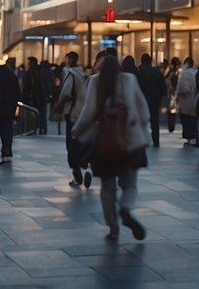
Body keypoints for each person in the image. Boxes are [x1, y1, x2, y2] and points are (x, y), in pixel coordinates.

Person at [72, 54, 150, 241]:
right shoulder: (130, 80)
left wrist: (77, 132)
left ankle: (113, 228)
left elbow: (88, 113)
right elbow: (143, 111)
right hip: (131, 142)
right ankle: (125, 208)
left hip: (105, 143)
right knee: (130, 184)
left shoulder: (94, 82)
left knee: (107, 188)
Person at [55, 51, 91, 188]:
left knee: (71, 144)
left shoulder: (71, 74)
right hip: (83, 112)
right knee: (82, 141)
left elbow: (66, 93)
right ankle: (87, 167)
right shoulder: (82, 73)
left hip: (72, 113)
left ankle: (77, 173)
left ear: (70, 60)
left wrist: (59, 107)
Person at [0, 56, 20, 164]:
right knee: (7, 130)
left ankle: (4, 151)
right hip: (9, 108)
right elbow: (18, 93)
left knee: (0, 130)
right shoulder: (13, 76)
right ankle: (7, 151)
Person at [136, 53, 166, 148]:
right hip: (155, 100)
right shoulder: (157, 72)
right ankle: (156, 140)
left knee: (141, 121)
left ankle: (143, 140)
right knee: (155, 121)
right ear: (150, 61)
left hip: (142, 100)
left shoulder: (138, 72)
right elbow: (163, 88)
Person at [175, 56, 198, 146]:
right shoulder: (196, 72)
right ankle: (194, 136)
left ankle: (189, 136)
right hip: (194, 100)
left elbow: (182, 88)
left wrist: (178, 96)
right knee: (193, 120)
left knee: (186, 120)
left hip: (185, 101)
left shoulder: (185, 74)